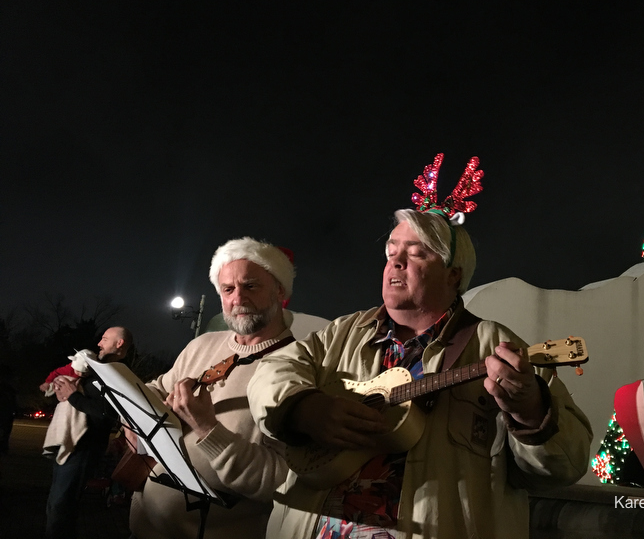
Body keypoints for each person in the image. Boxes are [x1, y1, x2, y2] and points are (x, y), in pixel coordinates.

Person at [248, 154, 593, 539]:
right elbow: (272, 371)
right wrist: (304, 409)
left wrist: (531, 411)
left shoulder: (497, 345)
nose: (395, 261)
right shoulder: (343, 332)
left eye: (417, 253)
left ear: (453, 275)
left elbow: (568, 463)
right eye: (392, 250)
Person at [129, 238, 292, 539]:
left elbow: (281, 480)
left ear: (280, 290)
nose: (238, 298)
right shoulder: (201, 345)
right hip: (145, 524)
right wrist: (131, 418)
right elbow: (154, 388)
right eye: (228, 289)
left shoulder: (297, 367)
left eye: (251, 286)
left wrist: (207, 427)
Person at [46, 326, 134, 539]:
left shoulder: (117, 374)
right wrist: (62, 389)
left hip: (85, 447)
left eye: (104, 339)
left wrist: (73, 396)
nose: (99, 343)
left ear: (119, 343)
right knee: (57, 504)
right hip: (73, 444)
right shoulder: (100, 370)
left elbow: (108, 413)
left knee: (61, 506)